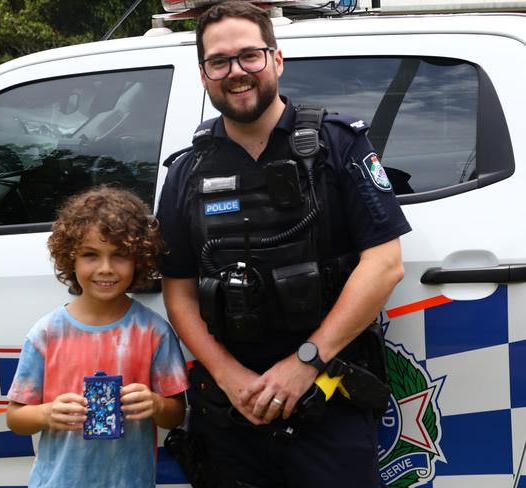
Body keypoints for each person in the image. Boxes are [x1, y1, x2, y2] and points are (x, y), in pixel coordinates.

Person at [157, 2, 412, 487]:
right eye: (219, 61)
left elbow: (384, 264)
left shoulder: (339, 145)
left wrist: (305, 362)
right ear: (204, 74)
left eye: (250, 55)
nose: (236, 72)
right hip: (232, 409)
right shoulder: (187, 172)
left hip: (326, 392)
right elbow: (179, 290)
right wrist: (229, 377)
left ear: (277, 59)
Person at [6, 185, 189, 488]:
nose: (105, 269)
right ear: (71, 258)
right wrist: (47, 413)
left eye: (119, 255)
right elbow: (15, 419)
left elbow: (175, 415)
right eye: (91, 255)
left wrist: (155, 405)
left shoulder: (153, 331)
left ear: (139, 260)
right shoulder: (46, 333)